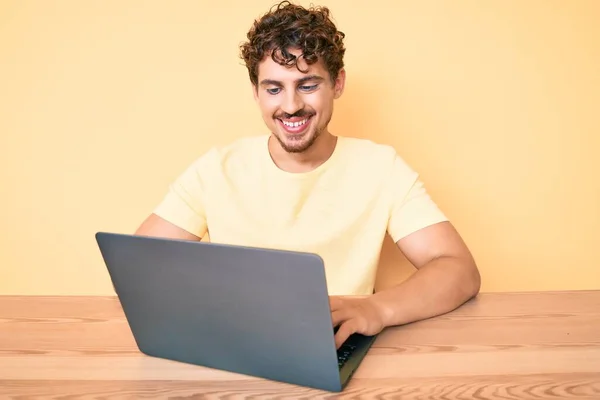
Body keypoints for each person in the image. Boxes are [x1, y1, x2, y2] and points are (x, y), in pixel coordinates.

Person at [135, 1, 481, 349]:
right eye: (274, 89)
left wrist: (377, 308)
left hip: (333, 344)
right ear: (255, 91)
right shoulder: (216, 170)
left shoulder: (380, 167)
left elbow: (458, 269)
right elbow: (139, 265)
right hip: (235, 344)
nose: (290, 106)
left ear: (338, 83)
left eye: (307, 85)